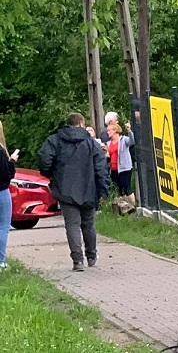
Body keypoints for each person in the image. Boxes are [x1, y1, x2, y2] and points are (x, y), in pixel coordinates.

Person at [39, 113, 108, 272]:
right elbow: (101, 167)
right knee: (88, 223)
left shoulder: (55, 140)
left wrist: (51, 174)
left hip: (65, 188)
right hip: (89, 188)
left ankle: (77, 261)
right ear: (82, 124)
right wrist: (102, 189)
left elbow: (45, 159)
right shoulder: (91, 143)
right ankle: (91, 255)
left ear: (68, 124)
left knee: (72, 224)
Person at [0, 120, 19, 270]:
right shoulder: (0, 151)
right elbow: (6, 174)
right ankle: (1, 261)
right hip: (1, 191)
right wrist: (12, 161)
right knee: (3, 227)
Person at [106, 121, 134, 197]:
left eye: (109, 130)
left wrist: (129, 131)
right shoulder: (108, 143)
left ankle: (133, 205)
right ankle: (124, 207)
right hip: (114, 169)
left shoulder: (124, 140)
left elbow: (132, 141)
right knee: (119, 190)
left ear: (115, 130)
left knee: (127, 188)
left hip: (124, 168)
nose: (108, 132)